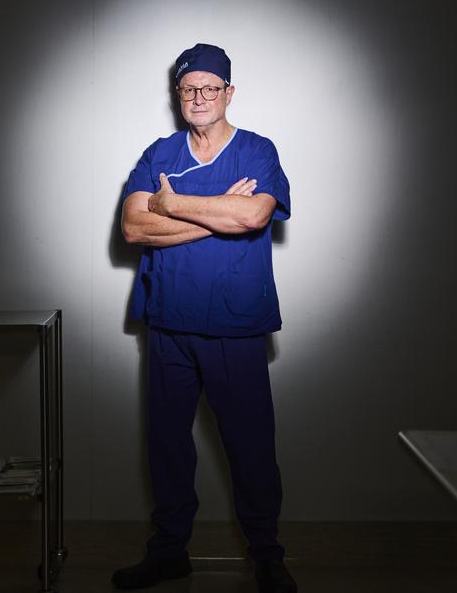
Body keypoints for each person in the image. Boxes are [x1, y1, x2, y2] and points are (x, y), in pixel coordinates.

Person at [112, 43, 296, 593]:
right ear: (178, 95)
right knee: (167, 447)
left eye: (210, 88)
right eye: (189, 88)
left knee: (251, 448)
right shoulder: (160, 153)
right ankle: (169, 552)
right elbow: (133, 228)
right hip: (168, 323)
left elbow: (254, 213)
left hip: (234, 328)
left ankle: (267, 556)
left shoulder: (257, 150)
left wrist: (172, 204)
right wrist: (215, 214)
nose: (199, 97)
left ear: (228, 93)